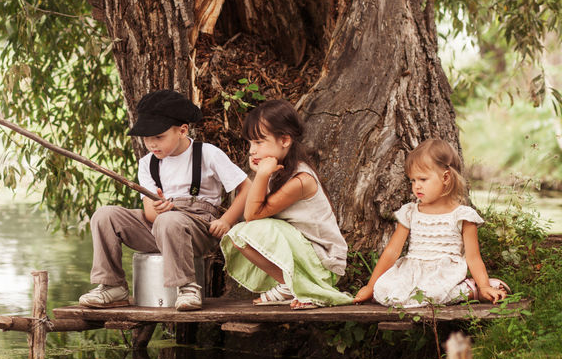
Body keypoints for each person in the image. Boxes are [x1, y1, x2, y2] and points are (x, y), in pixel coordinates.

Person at [79, 89, 252, 311]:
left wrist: (227, 220)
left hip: (198, 226)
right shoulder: (147, 164)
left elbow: (246, 187)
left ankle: (188, 287)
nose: (152, 144)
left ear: (182, 130)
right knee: (104, 215)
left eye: (159, 137)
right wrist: (159, 209)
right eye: (146, 138)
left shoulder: (206, 153)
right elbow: (150, 214)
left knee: (169, 222)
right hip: (160, 225)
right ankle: (113, 286)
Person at [220, 99, 352, 310]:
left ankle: (300, 286)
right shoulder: (276, 172)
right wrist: (263, 175)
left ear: (285, 140)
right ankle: (288, 283)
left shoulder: (300, 180)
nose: (252, 151)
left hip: (322, 263)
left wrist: (261, 175)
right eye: (250, 143)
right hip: (302, 254)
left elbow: (252, 215)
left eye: (259, 142)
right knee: (239, 236)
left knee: (245, 231)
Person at [353, 139, 510, 307]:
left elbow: (473, 258)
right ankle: (461, 291)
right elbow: (392, 251)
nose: (416, 186)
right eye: (413, 180)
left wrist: (484, 285)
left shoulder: (462, 215)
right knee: (383, 291)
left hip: (443, 273)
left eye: (422, 179)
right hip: (412, 271)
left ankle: (474, 289)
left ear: (446, 177)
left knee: (432, 295)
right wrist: (371, 286)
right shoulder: (410, 212)